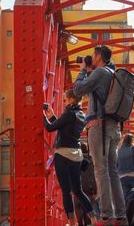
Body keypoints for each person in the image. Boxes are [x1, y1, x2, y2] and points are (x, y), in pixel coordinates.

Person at [73, 45, 128, 225]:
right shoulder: (112, 73)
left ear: (98, 56)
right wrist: (90, 72)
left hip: (98, 126)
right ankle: (120, 214)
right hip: (114, 128)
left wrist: (82, 71)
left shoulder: (99, 73)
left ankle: (106, 215)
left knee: (100, 170)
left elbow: (77, 90)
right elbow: (96, 91)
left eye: (94, 55)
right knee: (112, 171)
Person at [43, 90, 97, 226]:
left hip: (63, 155)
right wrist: (53, 117)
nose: (64, 102)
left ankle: (72, 222)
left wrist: (42, 115)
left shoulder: (68, 114)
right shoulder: (81, 115)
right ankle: (94, 218)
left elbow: (50, 128)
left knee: (66, 191)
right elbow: (66, 129)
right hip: (77, 156)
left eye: (65, 100)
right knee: (78, 190)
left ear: (72, 100)